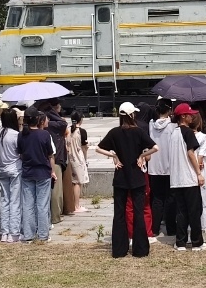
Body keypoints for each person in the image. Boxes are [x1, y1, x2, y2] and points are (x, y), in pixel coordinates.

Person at [97, 105, 158, 257]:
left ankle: (119, 249)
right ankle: (140, 249)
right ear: (132, 115)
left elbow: (98, 148)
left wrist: (114, 156)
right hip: (137, 176)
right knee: (138, 212)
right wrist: (141, 156)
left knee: (119, 213)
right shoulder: (138, 132)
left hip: (120, 176)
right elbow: (155, 148)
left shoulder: (114, 132)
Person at [169, 103, 206, 251]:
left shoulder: (174, 133)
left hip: (176, 179)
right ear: (183, 116)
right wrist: (199, 173)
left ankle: (181, 242)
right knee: (194, 211)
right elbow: (191, 154)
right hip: (189, 177)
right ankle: (197, 242)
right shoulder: (188, 132)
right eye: (190, 114)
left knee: (181, 212)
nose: (192, 117)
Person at [17, 110, 55, 244]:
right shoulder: (44, 134)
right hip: (43, 172)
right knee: (42, 205)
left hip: (28, 172)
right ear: (38, 119)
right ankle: (43, 234)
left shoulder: (21, 135)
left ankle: (28, 234)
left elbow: (20, 154)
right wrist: (52, 171)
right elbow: (50, 155)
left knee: (27, 205)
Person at [147, 101, 177, 237]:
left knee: (157, 198)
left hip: (154, 166)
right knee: (170, 198)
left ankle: (154, 228)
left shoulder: (151, 124)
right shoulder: (172, 126)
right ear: (170, 110)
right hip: (170, 166)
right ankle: (171, 228)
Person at [0, 109, 23, 243]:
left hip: (2, 168)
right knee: (15, 201)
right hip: (15, 168)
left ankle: (4, 232)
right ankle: (14, 232)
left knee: (4, 200)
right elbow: (20, 153)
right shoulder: (16, 134)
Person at [42, 100, 69, 225]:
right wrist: (52, 111)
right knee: (56, 190)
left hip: (43, 159)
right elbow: (64, 123)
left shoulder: (41, 126)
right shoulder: (55, 124)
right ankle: (55, 216)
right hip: (56, 158)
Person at [66, 111, 90, 215]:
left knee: (72, 182)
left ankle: (71, 204)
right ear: (81, 120)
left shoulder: (67, 130)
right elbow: (84, 147)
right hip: (78, 158)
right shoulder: (82, 132)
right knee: (77, 182)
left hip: (69, 157)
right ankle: (76, 205)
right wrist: (86, 158)